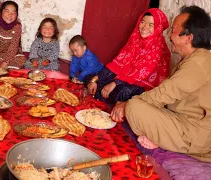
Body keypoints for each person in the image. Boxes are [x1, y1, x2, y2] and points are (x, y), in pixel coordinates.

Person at [111, 5, 211, 162]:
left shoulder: (199, 62)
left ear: (188, 37)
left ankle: (163, 140)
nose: (169, 34)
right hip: (180, 119)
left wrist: (127, 106)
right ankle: (161, 138)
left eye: (173, 30)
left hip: (195, 132)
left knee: (134, 107)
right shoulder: (195, 58)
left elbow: (165, 93)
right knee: (134, 100)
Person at [86, 8, 170, 104]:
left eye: (151, 25)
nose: (144, 27)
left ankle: (111, 107)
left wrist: (115, 83)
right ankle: (103, 100)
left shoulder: (159, 49)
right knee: (92, 78)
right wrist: (94, 80)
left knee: (122, 91)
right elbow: (117, 64)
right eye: (143, 22)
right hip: (124, 77)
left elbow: (140, 75)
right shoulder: (135, 40)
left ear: (158, 28)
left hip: (143, 85)